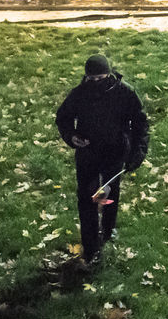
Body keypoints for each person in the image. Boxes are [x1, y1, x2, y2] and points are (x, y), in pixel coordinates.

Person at [55, 54, 150, 266]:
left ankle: (108, 231)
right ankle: (90, 245)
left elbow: (141, 124)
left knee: (109, 192)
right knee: (88, 197)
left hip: (115, 152)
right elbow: (63, 118)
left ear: (108, 74)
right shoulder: (79, 94)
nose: (96, 83)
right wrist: (71, 136)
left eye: (100, 78)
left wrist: (137, 153)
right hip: (88, 153)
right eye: (92, 79)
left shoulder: (125, 93)